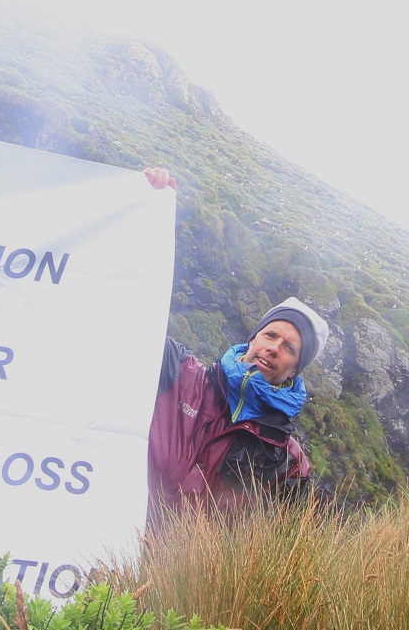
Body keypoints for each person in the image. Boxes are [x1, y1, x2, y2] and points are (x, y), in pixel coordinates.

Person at [142, 167, 331, 513]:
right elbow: (131, 313)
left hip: (186, 571)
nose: (274, 347)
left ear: (294, 371)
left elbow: (289, 546)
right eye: (271, 334)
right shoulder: (181, 376)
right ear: (253, 338)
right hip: (113, 559)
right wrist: (147, 209)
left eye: (289, 348)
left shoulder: (286, 462)